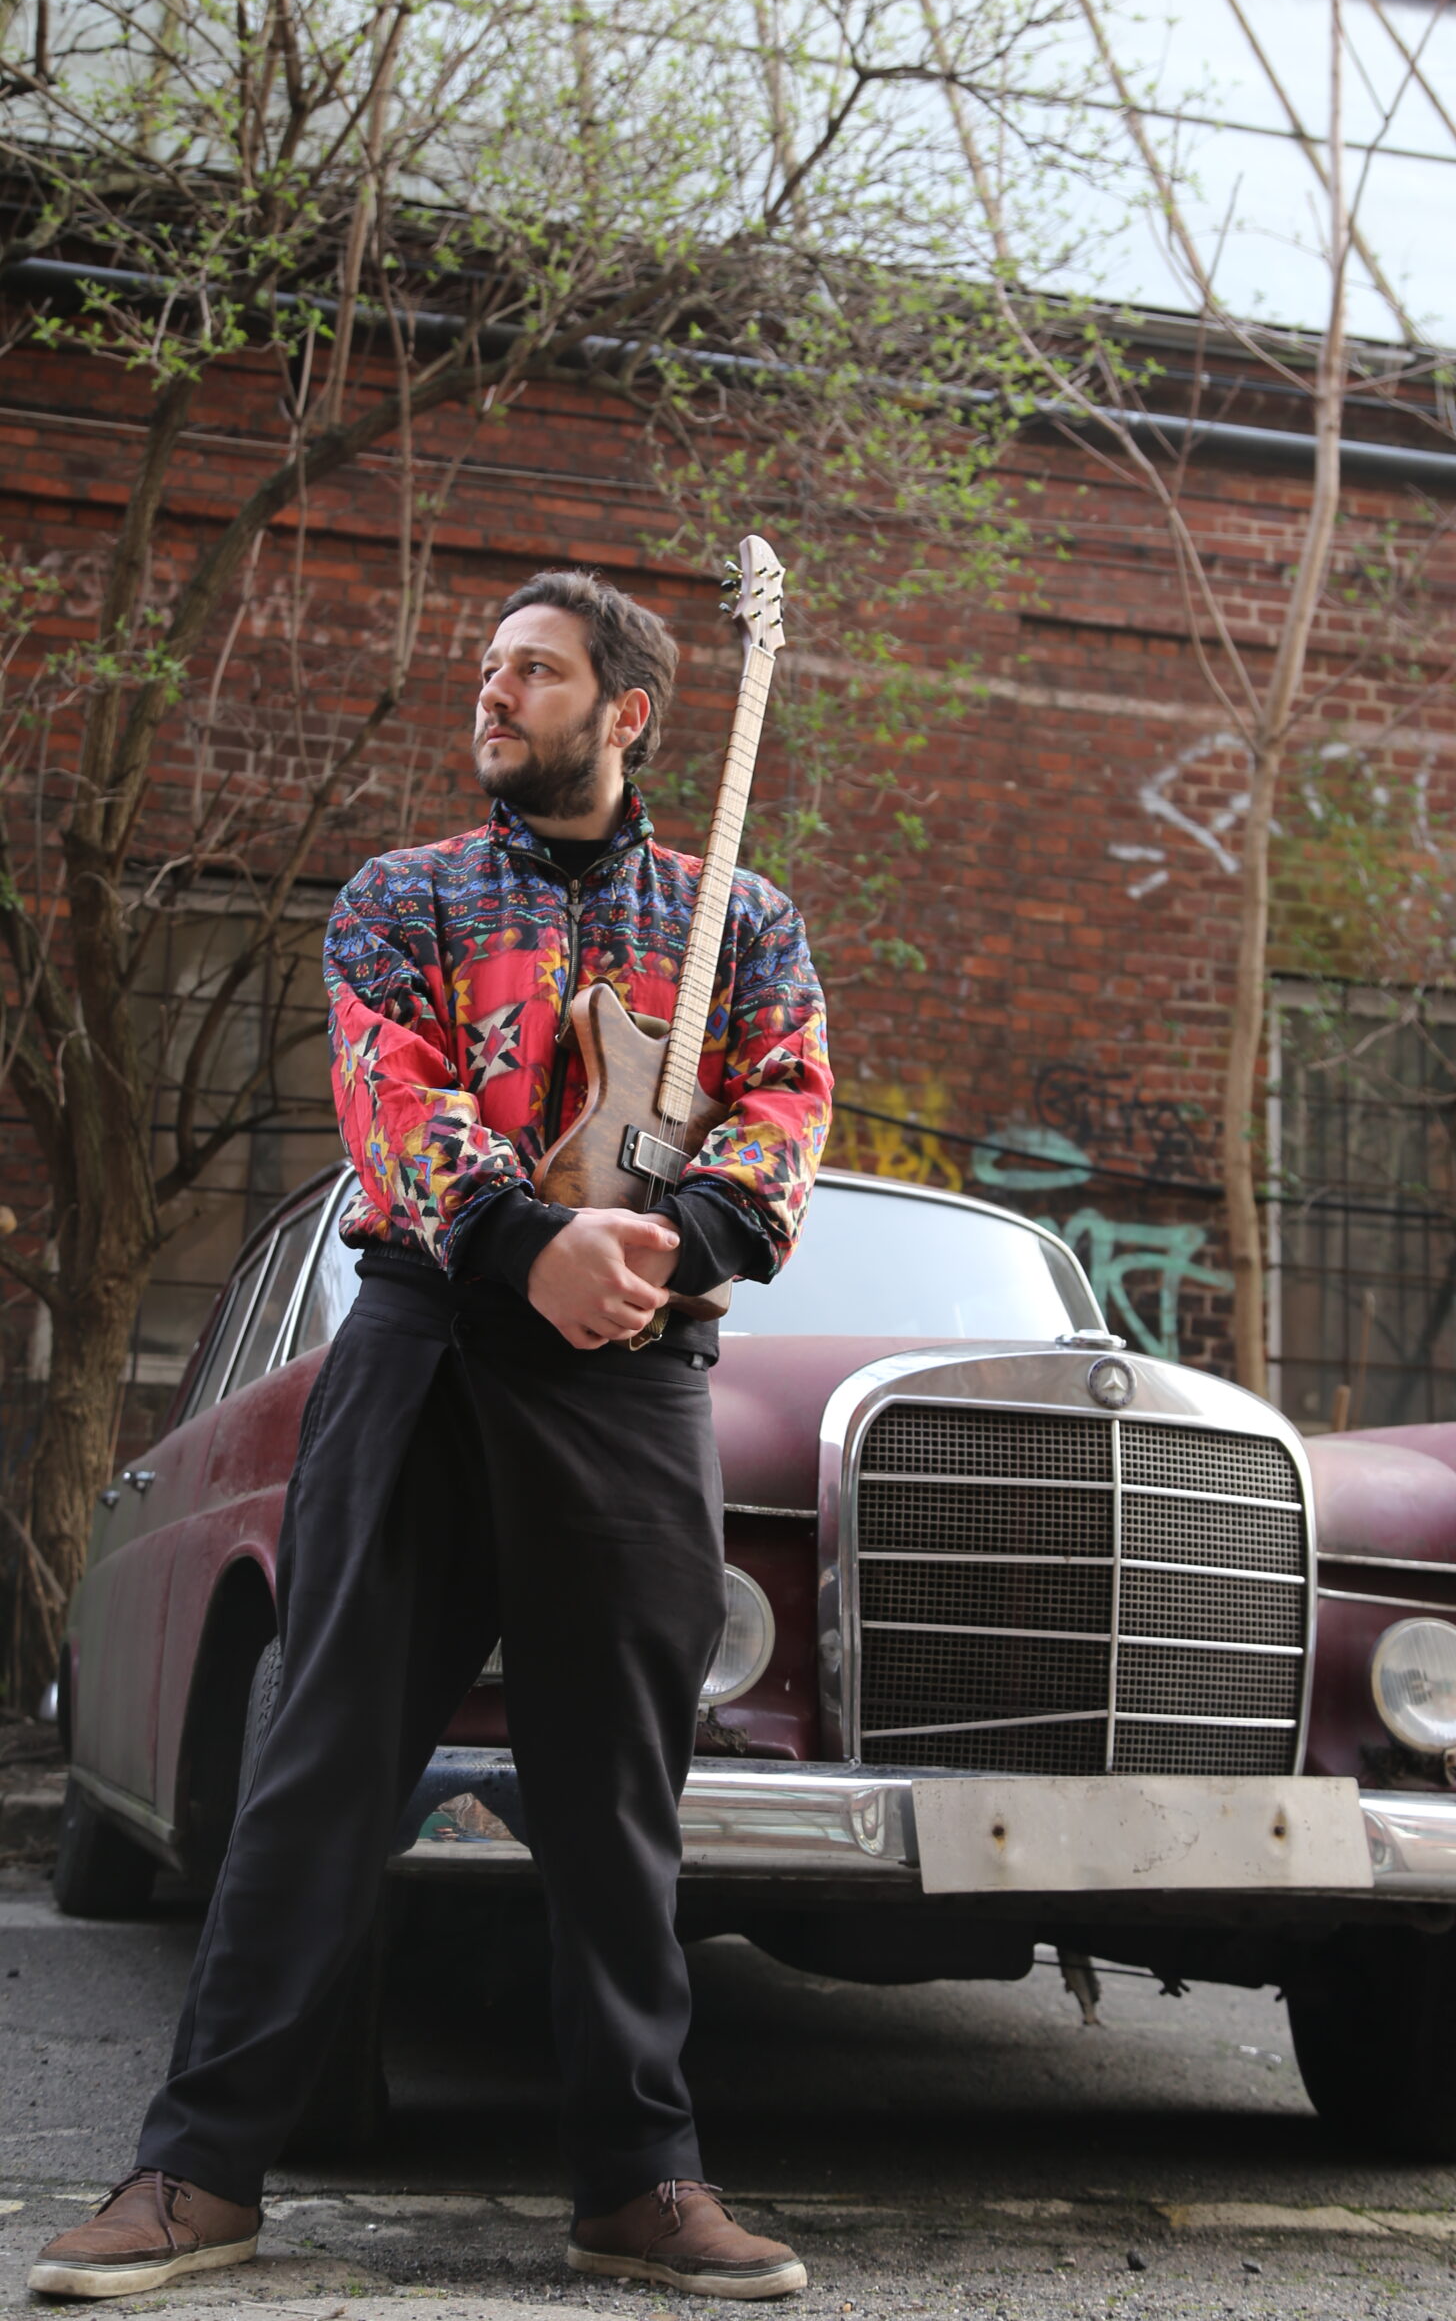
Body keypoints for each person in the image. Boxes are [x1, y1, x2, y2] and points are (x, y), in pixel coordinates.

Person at [31, 568, 831, 2303]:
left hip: (631, 1373)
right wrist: (528, 1244)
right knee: (315, 1776)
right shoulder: (403, 896)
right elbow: (389, 1091)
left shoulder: (738, 920)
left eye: (533, 672)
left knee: (619, 1803)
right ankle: (199, 2175)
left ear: (624, 714)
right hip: (427, 1347)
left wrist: (662, 1248)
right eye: (486, 668)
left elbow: (782, 1113)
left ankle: (639, 2179)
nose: (493, 692)